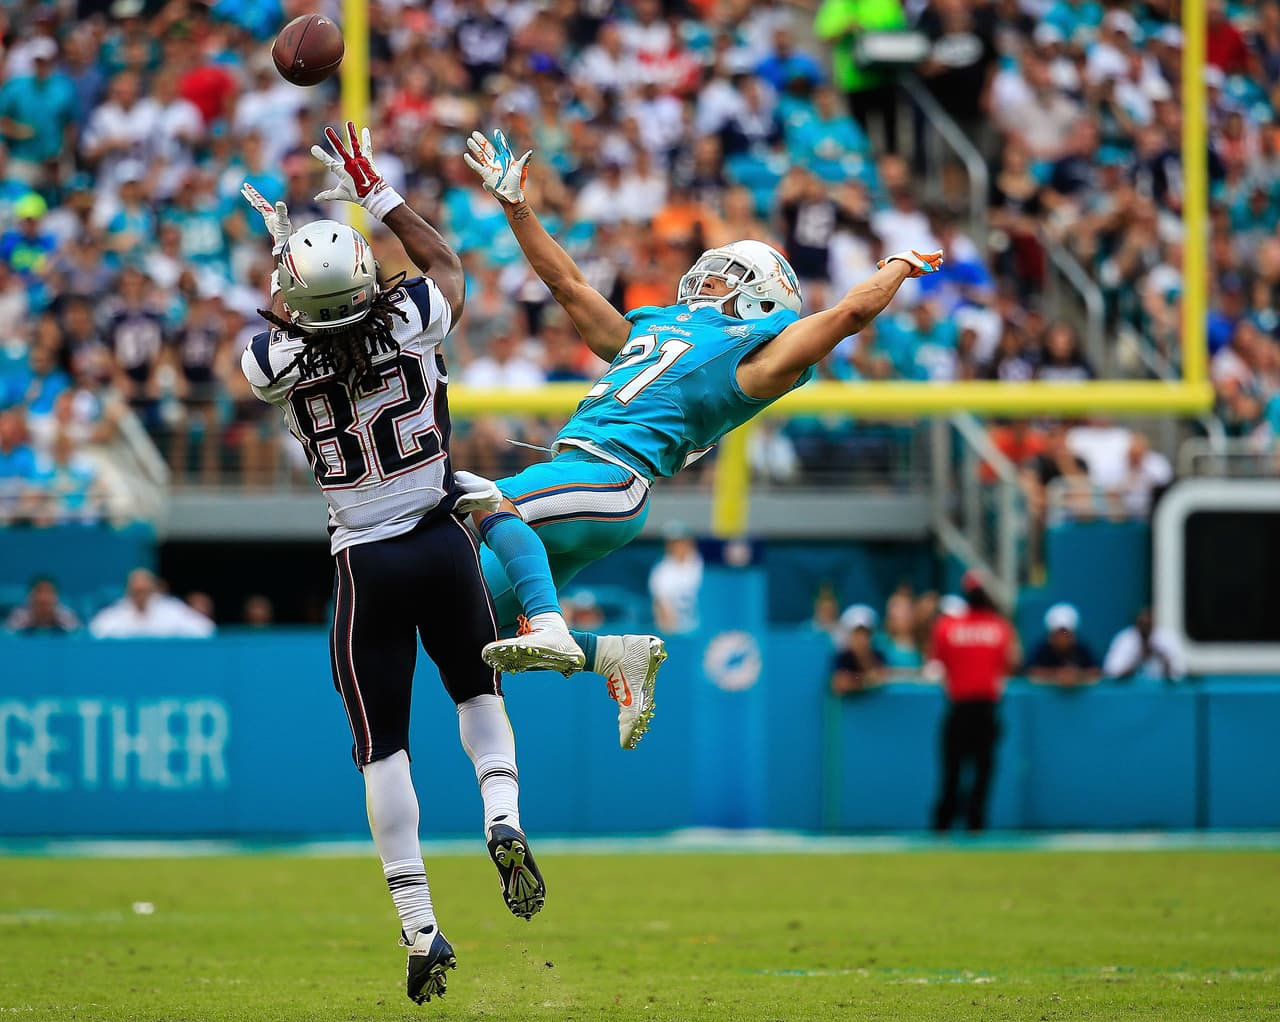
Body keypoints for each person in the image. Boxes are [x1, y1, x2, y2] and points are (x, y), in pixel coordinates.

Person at [462, 128, 942, 744]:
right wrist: (517, 208)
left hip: (610, 478)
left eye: (729, 276)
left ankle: (553, 624)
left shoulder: (756, 359)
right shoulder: (653, 327)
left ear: (763, 301)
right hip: (578, 481)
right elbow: (570, 288)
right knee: (470, 623)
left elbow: (847, 315)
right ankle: (610, 654)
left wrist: (896, 265)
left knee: (474, 500)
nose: (709, 280)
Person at [237, 122, 555, 1005]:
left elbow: (289, 332)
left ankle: (421, 928)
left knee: (384, 749)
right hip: (440, 541)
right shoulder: (414, 315)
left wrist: (287, 265)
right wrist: (372, 191)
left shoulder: (269, 359)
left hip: (365, 561)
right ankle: (503, 816)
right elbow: (442, 262)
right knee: (480, 695)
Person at [927, 573, 1018, 833]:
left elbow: (939, 664)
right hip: (986, 710)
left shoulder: (948, 627)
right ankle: (975, 825)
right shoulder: (1000, 627)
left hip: (959, 708)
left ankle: (943, 826)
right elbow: (1008, 665)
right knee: (982, 773)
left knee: (952, 771)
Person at [88, 567, 215, 639]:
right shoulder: (116, 613)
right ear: (128, 591)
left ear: (153, 590)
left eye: (144, 591)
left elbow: (205, 629)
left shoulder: (171, 610)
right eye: (136, 591)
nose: (140, 595)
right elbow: (95, 632)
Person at [1025, 602, 1102, 687]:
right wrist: (1057, 675)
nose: (1062, 638)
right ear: (1050, 635)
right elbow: (1030, 672)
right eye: (1058, 633)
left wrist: (1077, 675)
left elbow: (1097, 671)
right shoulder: (1041, 649)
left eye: (1065, 633)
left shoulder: (1082, 649)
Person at [648, 522, 703, 635]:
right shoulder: (661, 572)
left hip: (706, 629)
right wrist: (674, 634)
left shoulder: (704, 564)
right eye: (672, 543)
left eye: (680, 542)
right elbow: (662, 608)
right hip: (679, 633)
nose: (676, 547)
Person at [1103, 607, 1186, 682]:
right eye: (1142, 624)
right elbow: (1111, 673)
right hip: (1131, 693)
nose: (1146, 629)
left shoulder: (1168, 637)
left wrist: (1160, 655)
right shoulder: (1125, 639)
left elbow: (1179, 675)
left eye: (1148, 625)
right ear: (1136, 624)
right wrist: (1138, 658)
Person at [830, 603, 886, 694]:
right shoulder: (843, 658)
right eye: (857, 633)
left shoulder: (878, 655)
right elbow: (842, 684)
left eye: (866, 634)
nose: (861, 639)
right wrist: (867, 680)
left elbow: (884, 677)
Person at [4, 576, 80, 634]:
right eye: (39, 591)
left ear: (57, 597)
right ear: (30, 596)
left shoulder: (67, 616)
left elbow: (78, 636)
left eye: (49, 592)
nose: (43, 598)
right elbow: (7, 637)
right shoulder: (19, 617)